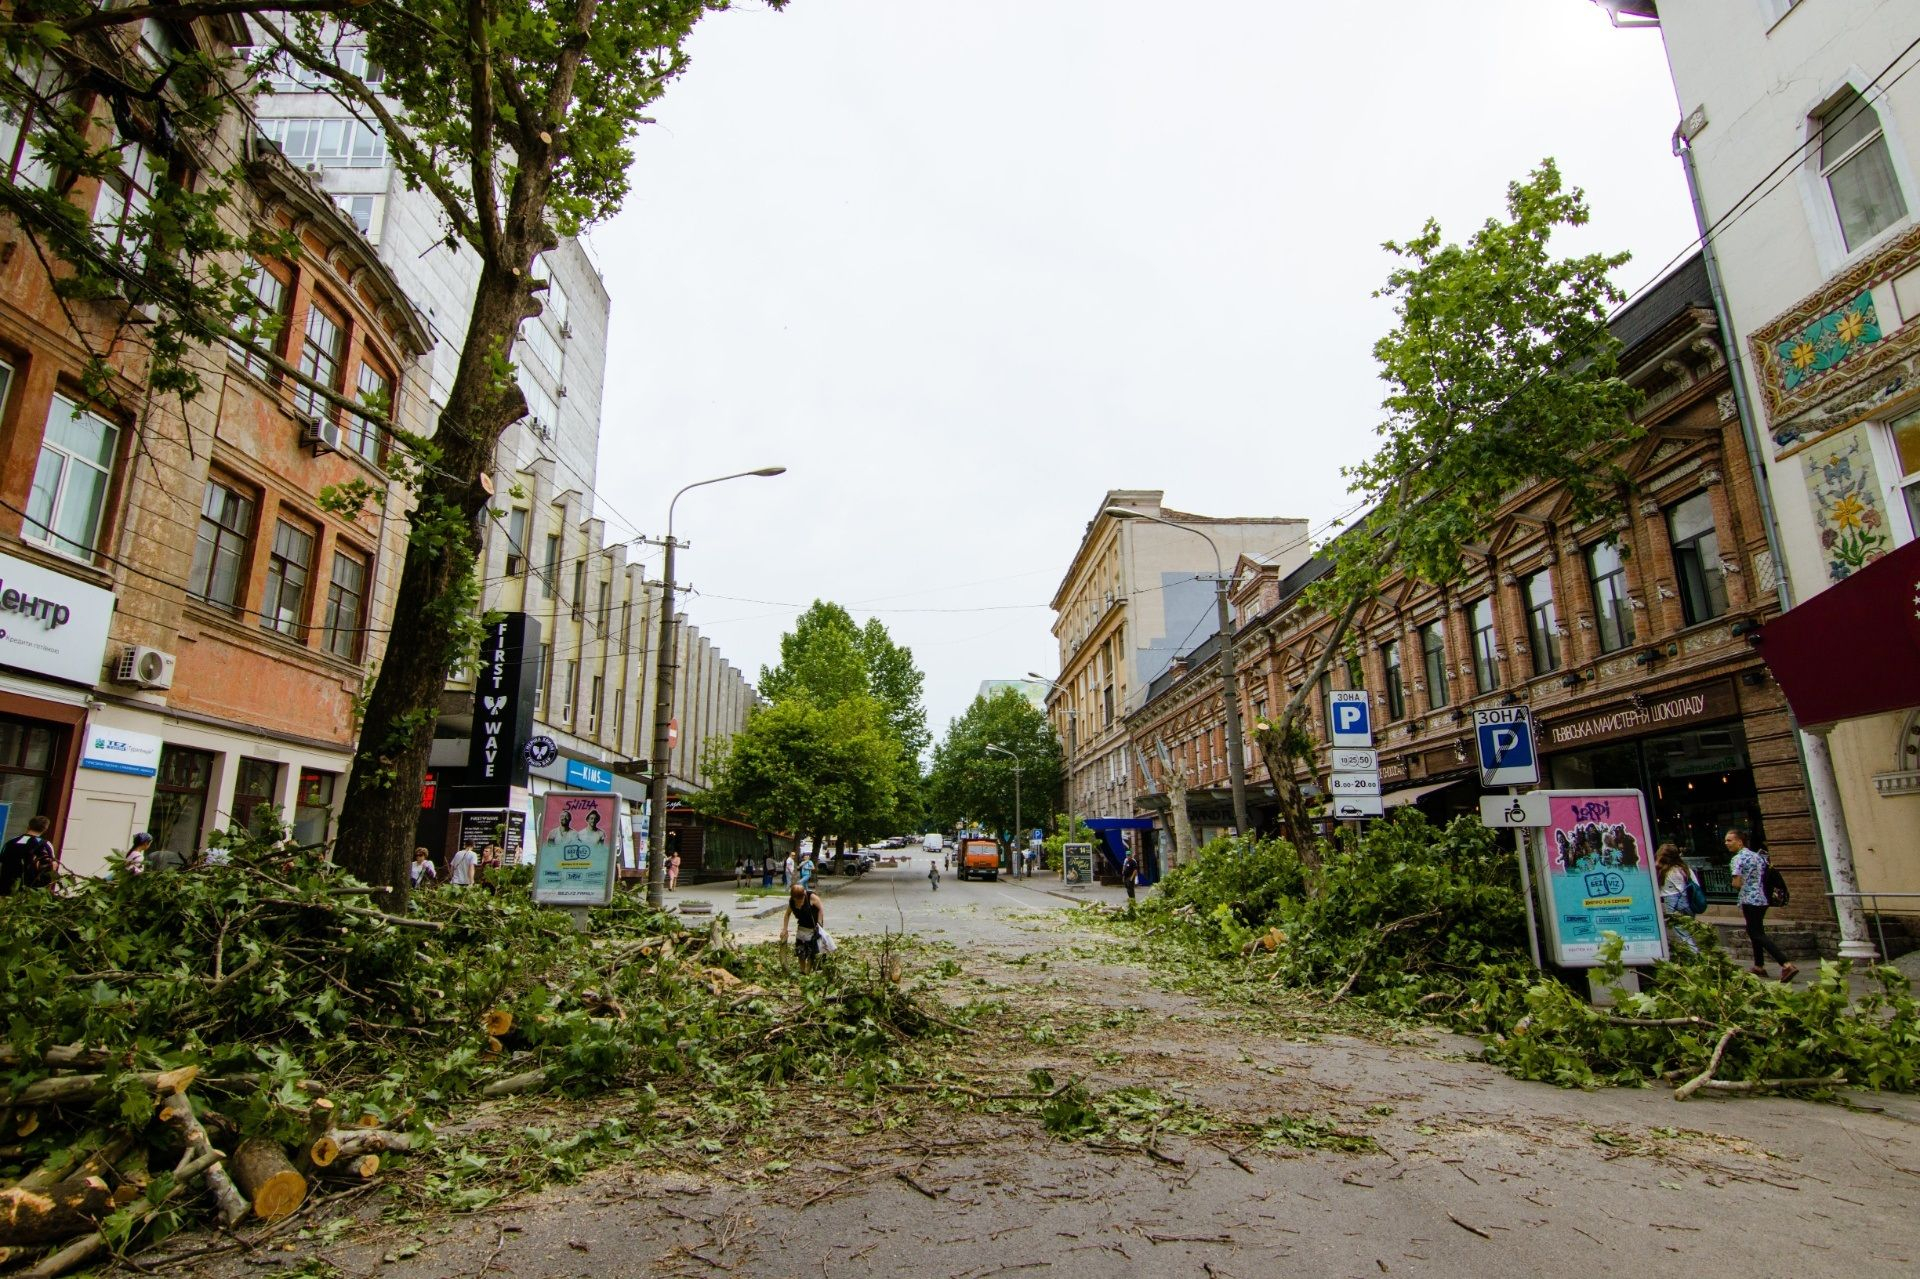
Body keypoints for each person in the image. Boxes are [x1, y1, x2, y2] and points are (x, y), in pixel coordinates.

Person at [1727, 827, 1795, 982]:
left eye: (1729, 840)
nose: (1727, 843)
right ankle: (1759, 965)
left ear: (1739, 841)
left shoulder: (1738, 859)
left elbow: (1736, 883)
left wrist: (1738, 883)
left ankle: (1785, 964)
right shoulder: (1758, 856)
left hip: (1749, 899)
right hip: (1763, 898)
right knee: (1755, 930)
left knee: (1756, 932)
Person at [1653, 843, 1698, 954]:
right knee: (1687, 931)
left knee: (1682, 932)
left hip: (1674, 901)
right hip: (1688, 902)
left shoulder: (1666, 872)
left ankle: (1694, 954)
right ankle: (1692, 952)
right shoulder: (1686, 869)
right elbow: (1696, 885)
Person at [1, 816, 58, 894]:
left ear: (29, 826)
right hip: (31, 892)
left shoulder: (11, 842)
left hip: (6, 888)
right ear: (45, 829)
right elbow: (51, 867)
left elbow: (2, 862)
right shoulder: (45, 845)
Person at [780, 881, 827, 972]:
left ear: (804, 895)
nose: (799, 903)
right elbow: (787, 915)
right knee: (800, 950)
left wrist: (819, 924)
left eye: (801, 900)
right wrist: (784, 929)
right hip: (802, 927)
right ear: (793, 898)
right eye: (797, 900)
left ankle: (808, 972)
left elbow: (821, 909)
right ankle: (802, 971)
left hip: (813, 927)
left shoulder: (811, 897)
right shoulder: (792, 902)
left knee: (811, 952)